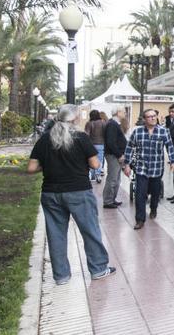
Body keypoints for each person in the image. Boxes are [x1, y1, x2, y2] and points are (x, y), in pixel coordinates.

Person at [27, 104, 117, 285]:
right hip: (78, 192)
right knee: (90, 230)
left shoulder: (45, 139)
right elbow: (95, 165)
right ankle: (98, 269)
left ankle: (61, 276)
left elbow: (31, 168)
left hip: (51, 193)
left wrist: (51, 165)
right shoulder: (81, 138)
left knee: (56, 234)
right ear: (75, 119)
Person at [123, 109, 174, 230]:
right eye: (149, 117)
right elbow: (129, 148)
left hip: (156, 168)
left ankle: (153, 208)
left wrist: (173, 161)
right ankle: (140, 219)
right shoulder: (137, 132)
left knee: (155, 192)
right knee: (140, 194)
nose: (153, 118)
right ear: (144, 119)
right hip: (141, 168)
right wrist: (126, 164)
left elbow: (170, 147)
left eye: (154, 116)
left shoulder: (164, 131)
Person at [102, 108, 127, 209]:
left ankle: (112, 199)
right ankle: (108, 201)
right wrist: (119, 155)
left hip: (115, 154)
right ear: (118, 112)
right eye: (124, 111)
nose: (125, 113)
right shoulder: (112, 124)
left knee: (116, 179)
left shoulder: (114, 123)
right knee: (112, 178)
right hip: (113, 155)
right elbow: (111, 142)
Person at [84, 110, 106, 183]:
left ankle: (92, 175)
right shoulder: (103, 123)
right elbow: (105, 133)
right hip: (101, 144)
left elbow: (86, 135)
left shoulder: (89, 123)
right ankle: (98, 174)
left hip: (91, 144)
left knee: (91, 159)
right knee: (99, 159)